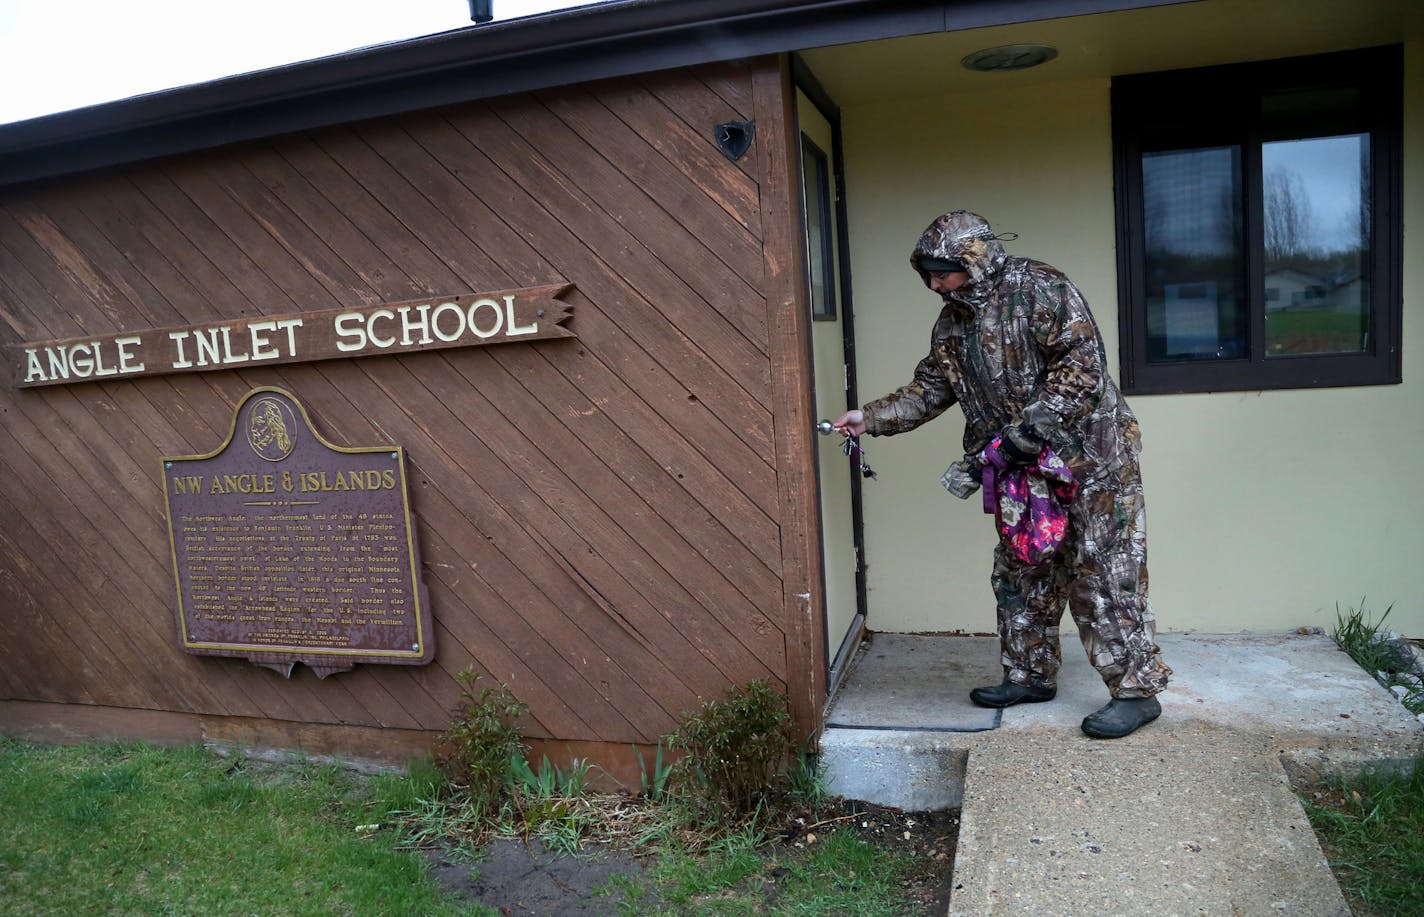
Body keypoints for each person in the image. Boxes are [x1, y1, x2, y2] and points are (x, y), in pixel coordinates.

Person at [833, 210, 1170, 739]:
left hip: (1090, 461)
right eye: (927, 273)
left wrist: (1027, 432)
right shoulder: (952, 321)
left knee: (1102, 571)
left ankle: (1135, 690)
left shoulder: (1042, 288)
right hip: (1021, 471)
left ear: (975, 259)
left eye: (942, 271)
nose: (933, 284)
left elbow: (1082, 367)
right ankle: (1030, 675)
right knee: (1021, 571)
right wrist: (869, 417)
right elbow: (931, 388)